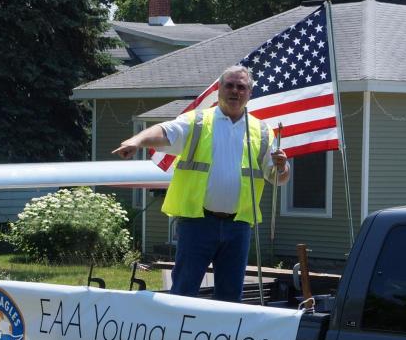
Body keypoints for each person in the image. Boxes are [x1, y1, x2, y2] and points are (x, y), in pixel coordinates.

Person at [112, 65, 290, 302]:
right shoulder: (198, 121)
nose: (235, 91)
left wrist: (282, 167)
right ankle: (176, 338)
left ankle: (223, 339)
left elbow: (278, 178)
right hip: (198, 223)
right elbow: (165, 131)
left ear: (250, 93)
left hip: (238, 226)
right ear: (219, 89)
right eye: (229, 85)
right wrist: (137, 140)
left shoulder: (263, 131)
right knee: (184, 292)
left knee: (230, 298)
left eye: (241, 87)